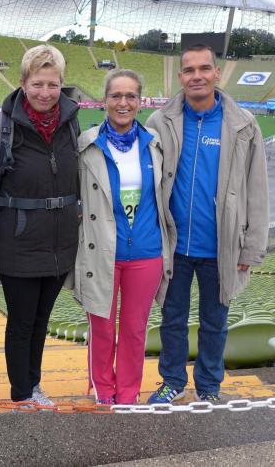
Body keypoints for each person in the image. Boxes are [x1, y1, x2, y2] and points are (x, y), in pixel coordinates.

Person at [146, 44, 269, 404]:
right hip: (173, 246)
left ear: (217, 73)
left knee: (215, 323)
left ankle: (210, 387)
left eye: (204, 68)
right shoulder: (159, 123)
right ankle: (172, 381)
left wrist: (252, 247)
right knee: (172, 320)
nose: (196, 76)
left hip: (222, 246)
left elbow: (257, 189)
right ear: (180, 77)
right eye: (189, 70)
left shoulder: (243, 125)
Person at [0, 45, 79, 407]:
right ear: (23, 83)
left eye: (52, 84)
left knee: (41, 320)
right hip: (19, 244)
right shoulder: (2, 127)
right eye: (38, 84)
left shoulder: (70, 123)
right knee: (22, 322)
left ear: (61, 84)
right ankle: (21, 393)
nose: (45, 92)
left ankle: (34, 385)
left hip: (60, 243)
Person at [72, 69, 173, 405]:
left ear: (140, 102)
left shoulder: (155, 144)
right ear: (105, 101)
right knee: (102, 329)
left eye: (131, 96)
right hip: (102, 252)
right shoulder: (87, 145)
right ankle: (104, 392)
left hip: (146, 253)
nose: (123, 102)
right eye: (116, 95)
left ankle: (128, 395)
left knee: (134, 330)